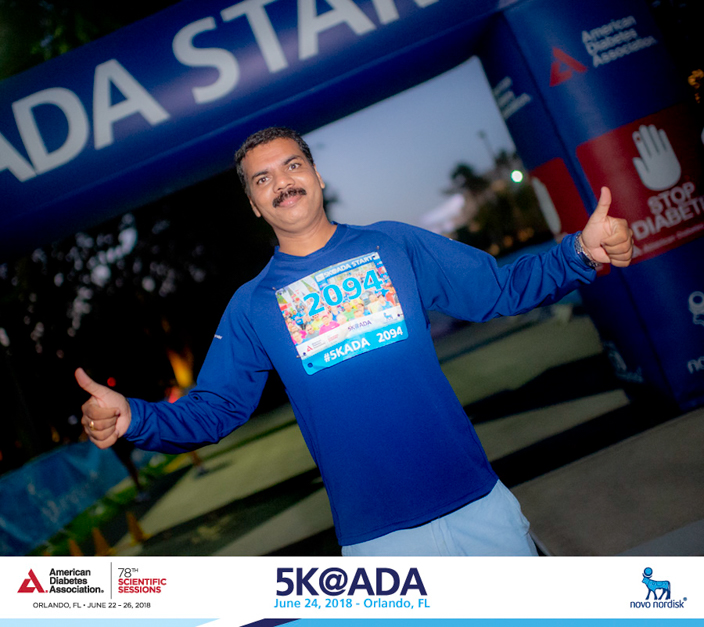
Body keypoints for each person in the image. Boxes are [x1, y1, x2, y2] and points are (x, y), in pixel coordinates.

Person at [76, 127, 633, 556]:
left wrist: (580, 253)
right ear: (253, 204)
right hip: (379, 545)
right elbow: (215, 409)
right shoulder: (252, 306)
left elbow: (499, 289)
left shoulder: (394, 245)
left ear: (318, 177)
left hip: (477, 506)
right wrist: (136, 417)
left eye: (292, 165)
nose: (282, 182)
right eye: (262, 179)